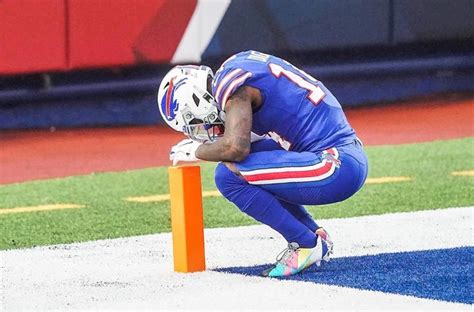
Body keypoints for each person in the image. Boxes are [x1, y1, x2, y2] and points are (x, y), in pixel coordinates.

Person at [157, 50, 368, 277]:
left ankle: (304, 243)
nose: (202, 130)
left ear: (196, 99)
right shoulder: (238, 64)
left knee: (228, 176)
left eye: (195, 123)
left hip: (334, 165)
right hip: (342, 155)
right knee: (254, 157)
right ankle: (313, 234)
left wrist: (195, 150)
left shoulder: (230, 85)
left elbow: (235, 148)